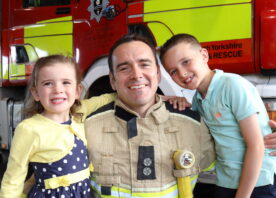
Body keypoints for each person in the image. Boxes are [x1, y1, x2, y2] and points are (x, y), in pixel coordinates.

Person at [85, 34, 216, 198]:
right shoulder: (87, 129)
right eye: (124, 68)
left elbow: (228, 170)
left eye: (144, 64)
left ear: (158, 74)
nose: (136, 75)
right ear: (112, 80)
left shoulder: (194, 124)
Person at [160, 33, 276, 198]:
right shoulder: (198, 99)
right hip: (226, 181)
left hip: (257, 183)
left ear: (204, 55)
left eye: (186, 62)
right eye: (173, 71)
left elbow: (256, 146)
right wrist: (175, 99)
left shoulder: (232, 85)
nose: (182, 73)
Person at [0, 55, 116, 198]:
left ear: (77, 91)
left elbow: (101, 100)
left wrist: (123, 94)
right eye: (48, 83)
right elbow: (13, 180)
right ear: (36, 93)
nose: (57, 90)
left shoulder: (78, 114)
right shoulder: (29, 129)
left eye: (66, 82)